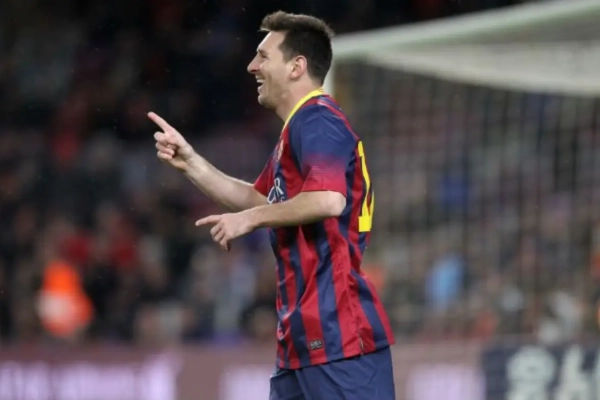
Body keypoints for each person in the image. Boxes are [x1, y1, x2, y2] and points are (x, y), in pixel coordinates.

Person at [149, 11, 396, 400]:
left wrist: (249, 220)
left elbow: (328, 200)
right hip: (302, 339)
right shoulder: (298, 129)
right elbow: (258, 198)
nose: (252, 66)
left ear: (296, 67)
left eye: (263, 56)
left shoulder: (318, 120)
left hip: (337, 336)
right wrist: (191, 162)